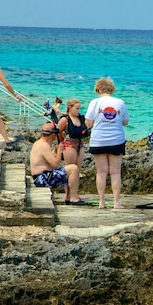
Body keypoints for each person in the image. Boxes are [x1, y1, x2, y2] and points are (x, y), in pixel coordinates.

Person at [85, 77, 129, 209]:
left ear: (98, 89)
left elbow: (89, 123)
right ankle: (116, 203)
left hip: (98, 140)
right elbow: (125, 122)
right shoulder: (120, 102)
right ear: (112, 89)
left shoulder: (94, 102)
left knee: (101, 172)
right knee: (115, 172)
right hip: (116, 139)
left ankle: (101, 202)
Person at [30, 122, 82, 205]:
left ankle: (69, 196)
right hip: (43, 178)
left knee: (69, 169)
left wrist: (55, 151)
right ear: (53, 135)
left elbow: (48, 161)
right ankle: (73, 198)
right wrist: (60, 150)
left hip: (42, 176)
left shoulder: (39, 143)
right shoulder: (44, 145)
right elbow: (55, 164)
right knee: (73, 169)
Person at [56, 98, 89, 170]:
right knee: (70, 168)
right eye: (77, 109)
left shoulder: (80, 118)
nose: (78, 111)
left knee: (78, 169)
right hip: (69, 144)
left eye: (79, 109)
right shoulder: (65, 120)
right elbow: (58, 132)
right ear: (70, 108)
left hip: (80, 144)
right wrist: (62, 143)